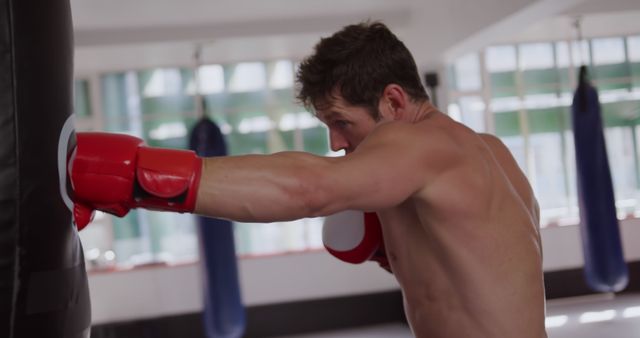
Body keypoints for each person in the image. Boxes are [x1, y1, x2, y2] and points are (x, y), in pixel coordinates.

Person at [69, 21, 547, 337]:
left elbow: (307, 188)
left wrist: (134, 177)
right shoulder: (488, 154)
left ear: (394, 102)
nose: (337, 144)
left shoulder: (422, 145)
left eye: (343, 122)